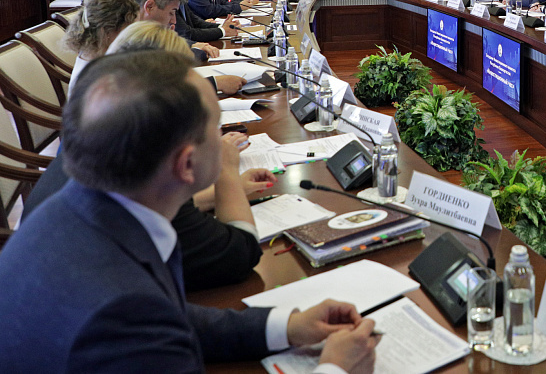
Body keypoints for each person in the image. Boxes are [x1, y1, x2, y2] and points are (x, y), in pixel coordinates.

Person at [0, 51, 378, 372]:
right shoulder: (118, 317)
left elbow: (166, 315)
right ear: (187, 164)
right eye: (217, 126)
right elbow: (141, 320)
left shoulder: (75, 204)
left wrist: (285, 326)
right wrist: (334, 368)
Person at [23, 23, 267, 290]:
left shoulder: (101, 147)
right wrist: (227, 172)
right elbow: (239, 254)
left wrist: (221, 191)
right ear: (186, 162)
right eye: (214, 127)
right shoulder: (152, 184)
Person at [130, 0, 244, 93]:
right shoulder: (128, 37)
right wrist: (214, 83)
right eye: (171, 13)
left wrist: (192, 46)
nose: (174, 21)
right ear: (149, 7)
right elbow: (157, 88)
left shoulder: (144, 30)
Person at [62, 0, 138, 94]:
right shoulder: (95, 79)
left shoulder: (97, 54)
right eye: (129, 28)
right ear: (107, 31)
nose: (131, 35)